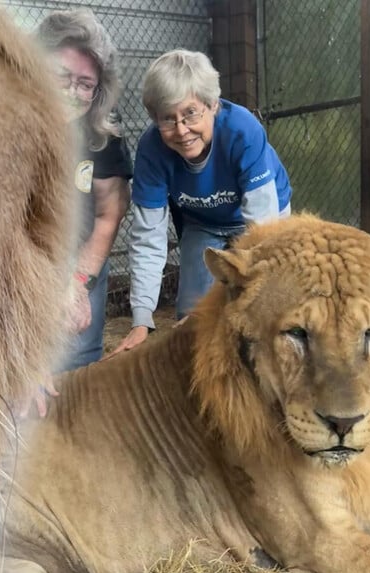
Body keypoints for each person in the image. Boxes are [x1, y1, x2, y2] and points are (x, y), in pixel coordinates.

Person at [110, 49, 291, 355]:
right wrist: (142, 321)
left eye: (190, 113)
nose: (181, 130)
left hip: (263, 220)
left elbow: (263, 233)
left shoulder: (242, 131)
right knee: (191, 319)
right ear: (155, 119)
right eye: (168, 118)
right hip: (202, 222)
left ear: (213, 105)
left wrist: (226, 295)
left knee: (260, 307)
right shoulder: (152, 151)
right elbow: (148, 238)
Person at [36, 9, 132, 373]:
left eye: (85, 84)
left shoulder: (103, 132)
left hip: (80, 252)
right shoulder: (0, 116)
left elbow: (109, 215)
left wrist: (76, 284)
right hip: (17, 254)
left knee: (74, 359)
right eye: (61, 76)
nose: (72, 93)